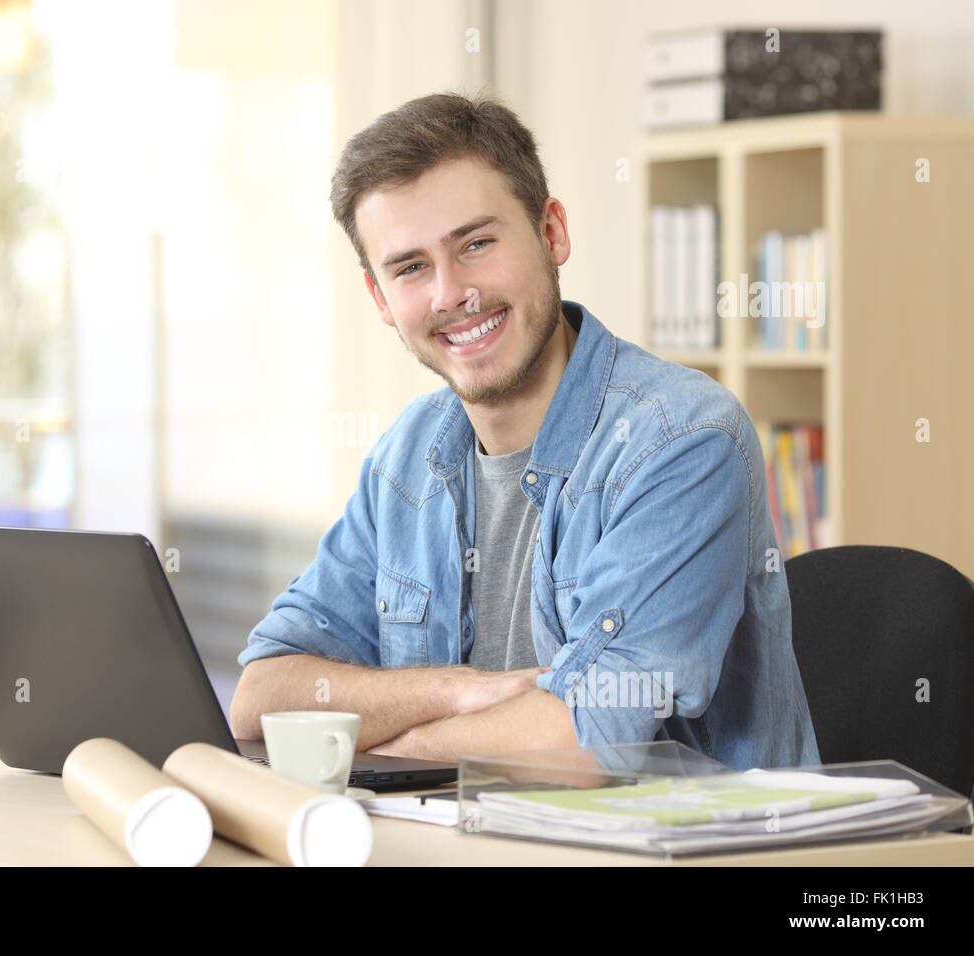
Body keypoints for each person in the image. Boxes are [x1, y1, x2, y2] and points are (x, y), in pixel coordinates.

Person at [229, 92, 819, 770]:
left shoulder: (681, 439)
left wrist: (374, 737)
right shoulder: (408, 458)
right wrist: (449, 692)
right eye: (410, 267)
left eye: (477, 244)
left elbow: (591, 740)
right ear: (379, 299)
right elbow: (261, 694)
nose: (451, 293)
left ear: (553, 233)